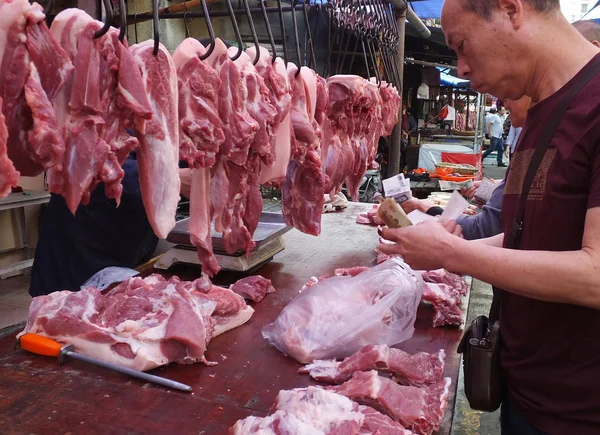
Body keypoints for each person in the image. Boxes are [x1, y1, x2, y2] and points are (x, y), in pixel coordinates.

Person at [379, 1, 600, 433]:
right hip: (525, 393)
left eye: (461, 46)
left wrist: (454, 254)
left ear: (510, 9)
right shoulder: (540, 111)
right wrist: (450, 248)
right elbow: (534, 235)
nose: (460, 68)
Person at [30, 152, 192, 297]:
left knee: (120, 316)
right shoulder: (95, 120)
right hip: (80, 252)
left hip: (123, 251)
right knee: (64, 319)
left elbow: (168, 155)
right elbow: (93, 159)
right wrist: (172, 178)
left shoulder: (164, 122)